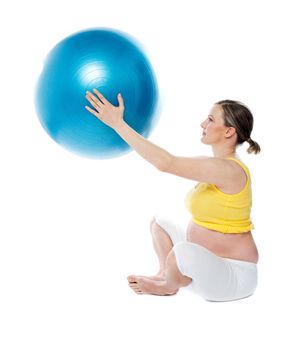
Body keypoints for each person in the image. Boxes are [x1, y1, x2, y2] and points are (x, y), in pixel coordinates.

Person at [85, 89, 261, 302]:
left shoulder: (229, 170)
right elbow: (170, 162)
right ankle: (166, 274)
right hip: (203, 268)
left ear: (228, 132)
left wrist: (118, 124)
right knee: (159, 223)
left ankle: (169, 285)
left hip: (231, 277)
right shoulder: (215, 166)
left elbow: (166, 163)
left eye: (211, 119)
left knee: (183, 251)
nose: (203, 124)